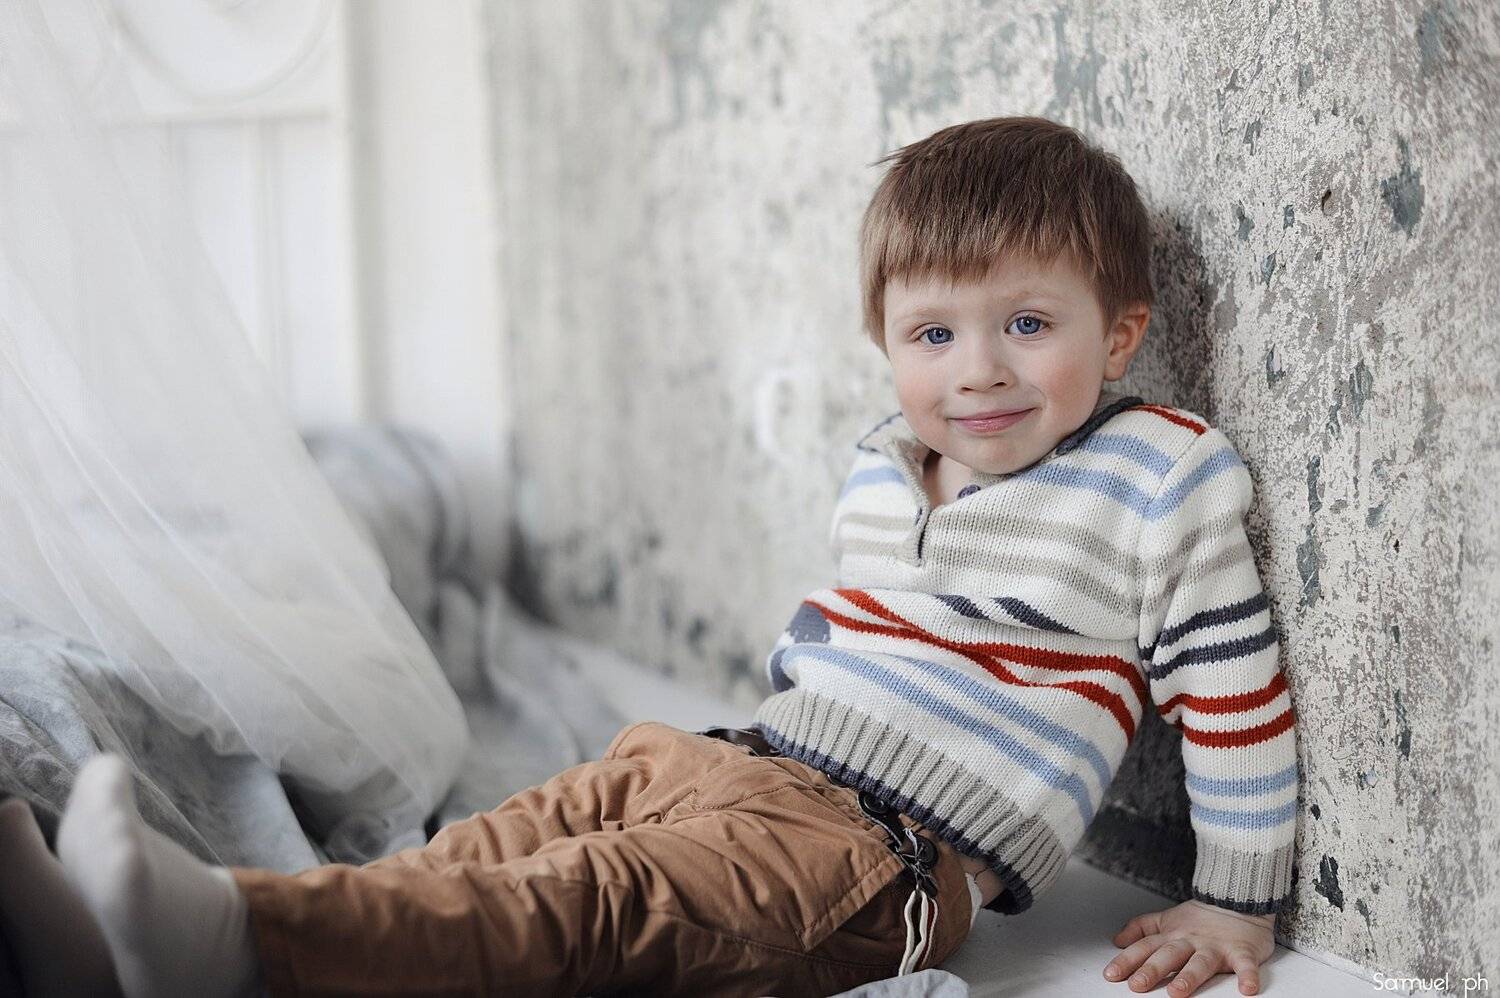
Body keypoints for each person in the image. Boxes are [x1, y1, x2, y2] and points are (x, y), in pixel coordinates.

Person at [0, 115, 1297, 998]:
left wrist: (1237, 899)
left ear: (1119, 333)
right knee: (501, 840)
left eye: (1027, 324)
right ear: (884, 342)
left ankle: (244, 945)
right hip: (728, 756)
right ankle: (136, 943)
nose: (979, 372)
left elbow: (1231, 685)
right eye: (933, 335)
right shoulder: (881, 463)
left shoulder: (1157, 473)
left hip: (880, 857)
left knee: (588, 901)